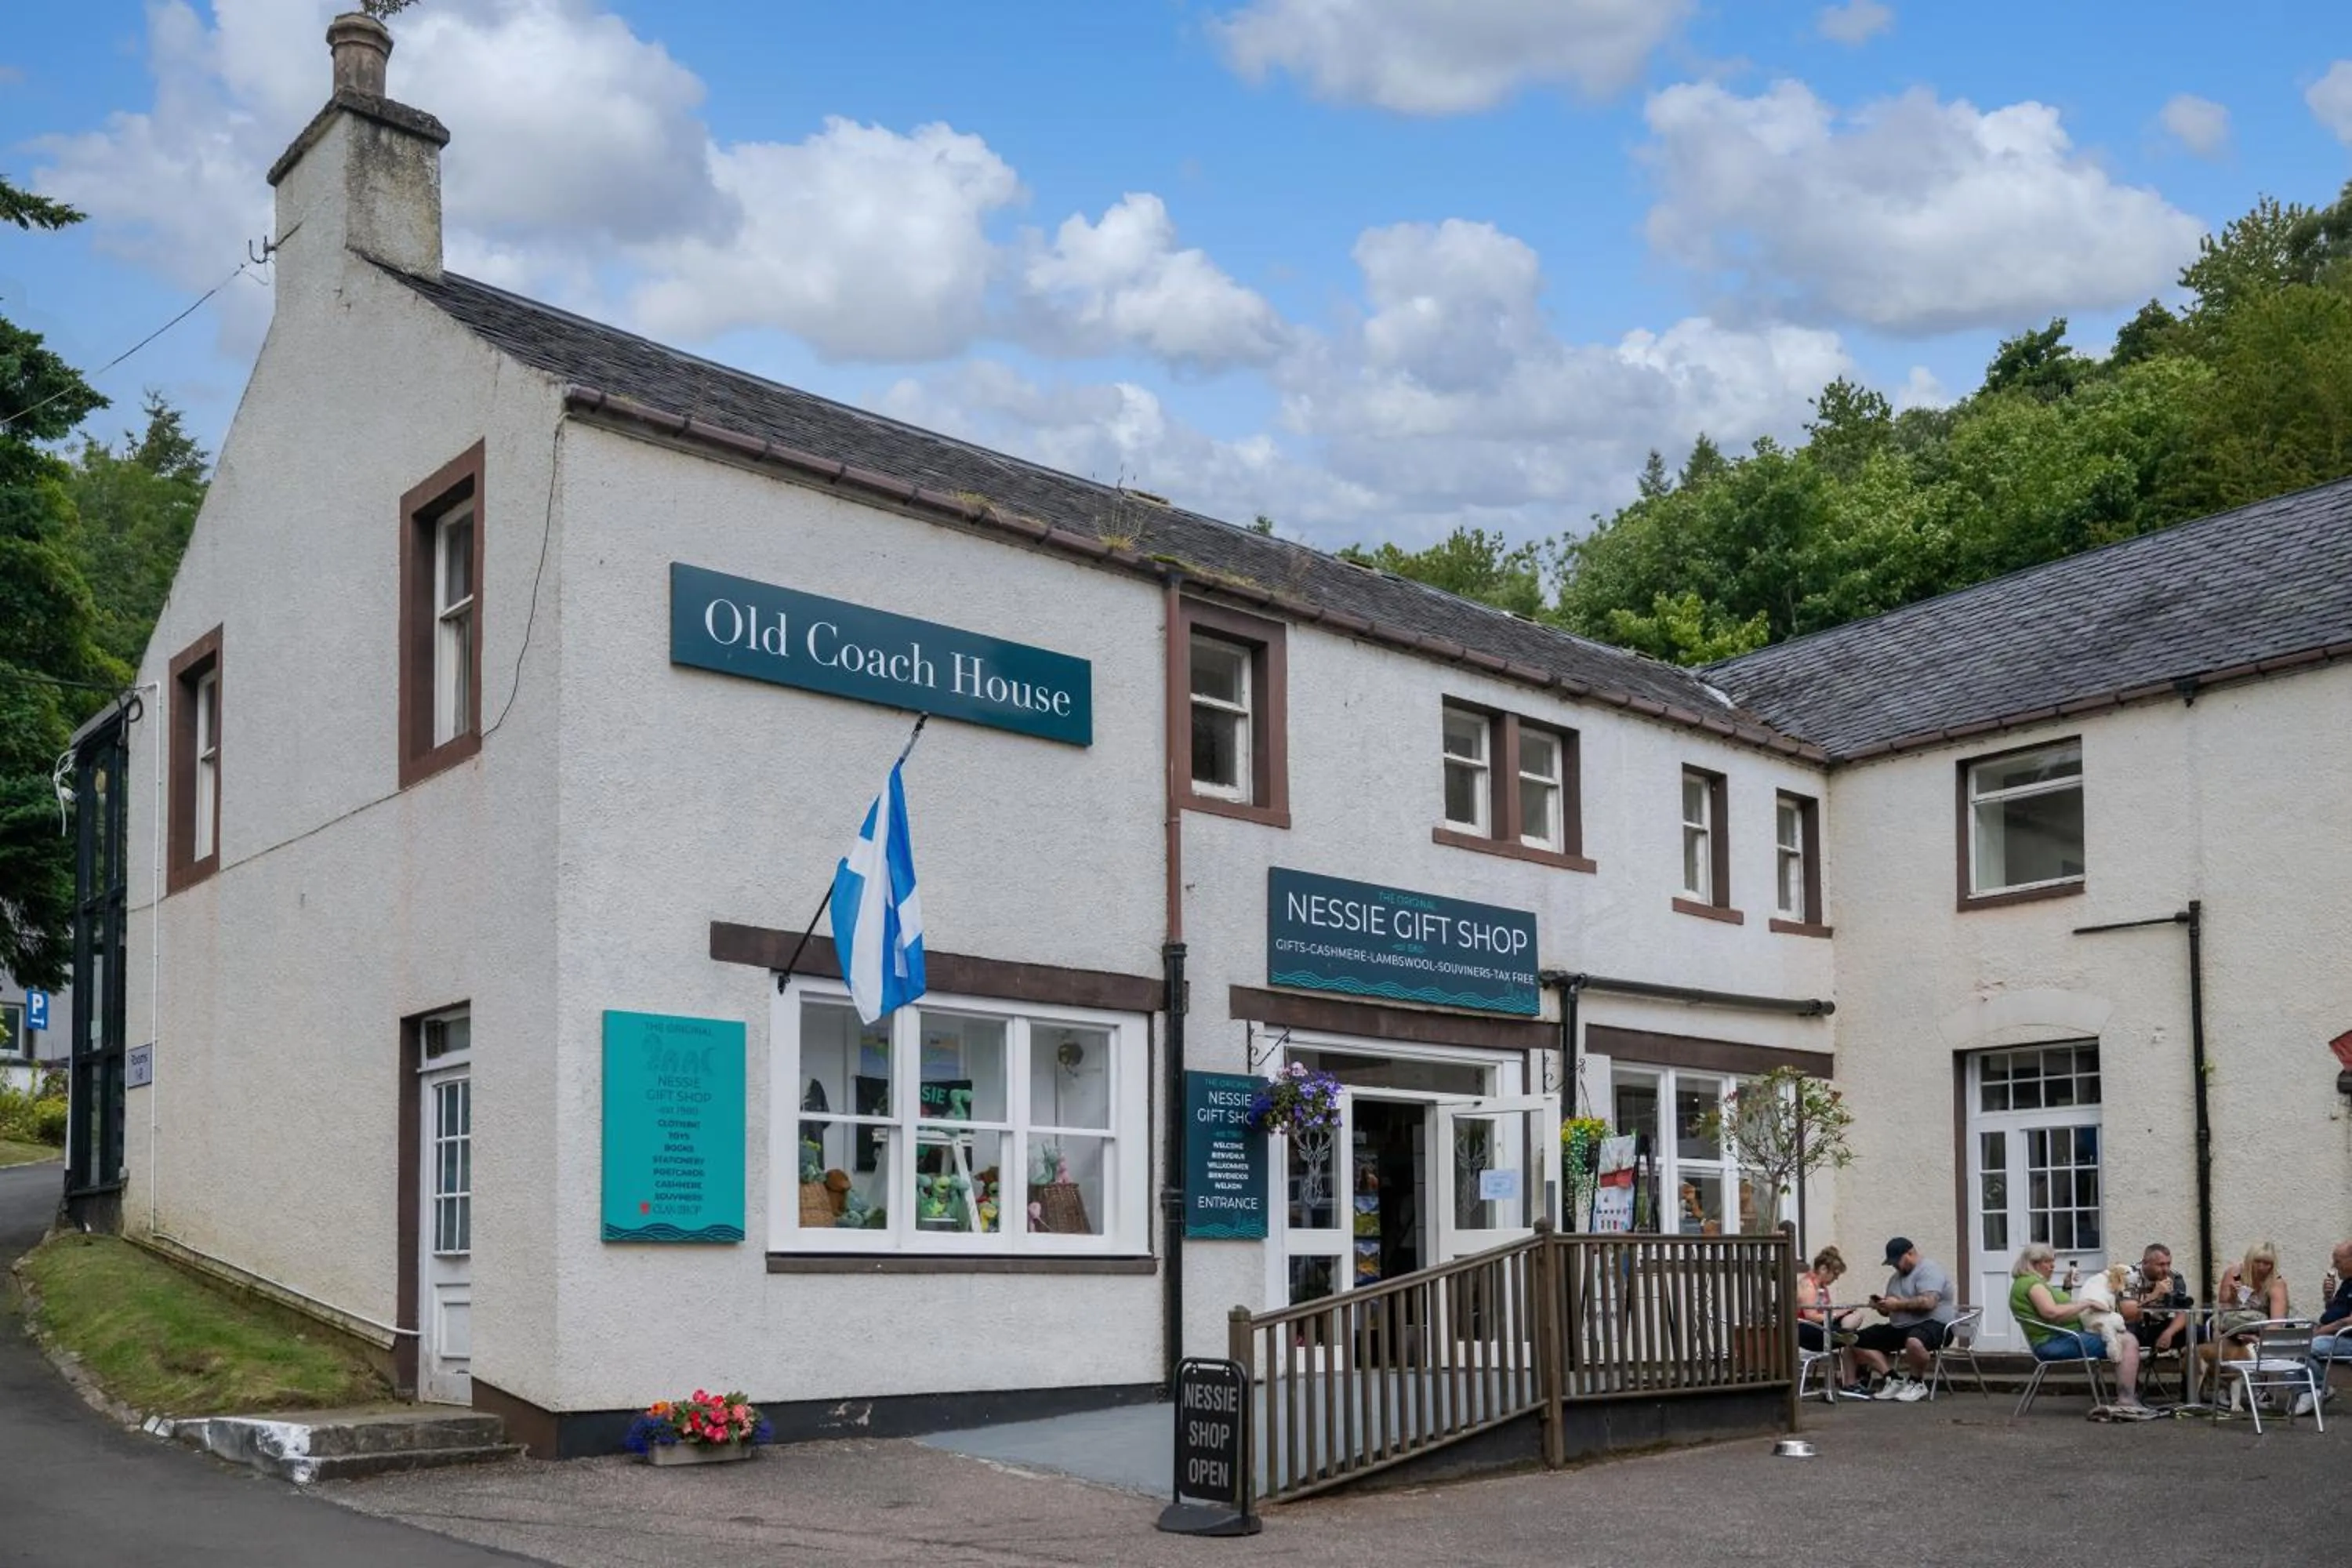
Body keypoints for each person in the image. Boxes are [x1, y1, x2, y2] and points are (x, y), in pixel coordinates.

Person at [2010, 1242, 2148, 1413]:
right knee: (2127, 1341)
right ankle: (2127, 1400)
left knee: (2121, 1333)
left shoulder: (2030, 1283)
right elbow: (2052, 1313)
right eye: (2048, 1262)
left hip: (2062, 1337)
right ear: (2034, 1263)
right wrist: (2087, 1303)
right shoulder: (2032, 1284)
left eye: (2053, 1261)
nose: (2053, 1266)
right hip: (2054, 1343)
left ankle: (2127, 1396)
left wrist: (2067, 1287)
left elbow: (2057, 1310)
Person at [1852, 1236, 1955, 1402]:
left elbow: (1929, 1302)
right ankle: (1893, 1378)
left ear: (1910, 1253)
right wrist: (1882, 1306)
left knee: (1914, 1340)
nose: (1895, 1266)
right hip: (1901, 1327)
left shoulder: (1929, 1270)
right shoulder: (1895, 1278)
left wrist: (1898, 1305)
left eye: (1896, 1261)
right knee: (1855, 1339)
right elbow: (1890, 1311)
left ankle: (1917, 1383)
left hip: (1935, 1325)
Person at [2201, 1240, 2291, 1390]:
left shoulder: (2276, 1283)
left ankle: (2258, 1390)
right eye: (2258, 1262)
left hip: (2260, 1330)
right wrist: (2232, 1296)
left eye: (2267, 1263)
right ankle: (2224, 1388)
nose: (2262, 1267)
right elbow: (2223, 1307)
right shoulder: (2234, 1273)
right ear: (2249, 1260)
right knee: (2222, 1343)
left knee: (2251, 1347)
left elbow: (2277, 1323)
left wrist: (2257, 1339)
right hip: (2231, 1327)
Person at [1797, 1246, 1866, 1399]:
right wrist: (1836, 1314)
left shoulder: (1821, 1286)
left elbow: (1824, 1313)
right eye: (1834, 1274)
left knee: (1856, 1321)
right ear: (1823, 1269)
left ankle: (1851, 1376)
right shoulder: (1809, 1286)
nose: (1836, 1279)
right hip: (1808, 1331)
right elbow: (1811, 1316)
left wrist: (1841, 1314)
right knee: (1855, 1339)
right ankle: (1852, 1380)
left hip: (1821, 1326)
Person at [2296, 1240, 2351, 1417]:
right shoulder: (2347, 1284)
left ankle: (2317, 1389)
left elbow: (2348, 1322)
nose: (2334, 1265)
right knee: (2291, 1341)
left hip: (2348, 1340)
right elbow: (2334, 1315)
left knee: (2306, 1346)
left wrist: (2319, 1332)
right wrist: (2328, 1298)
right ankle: (2308, 1391)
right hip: (2336, 1336)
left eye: (2338, 1260)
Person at [2121, 1243, 2191, 1357]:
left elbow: (2183, 1311)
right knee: (2129, 1333)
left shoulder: (2175, 1277)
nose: (2166, 1269)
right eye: (2161, 1265)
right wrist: (2154, 1295)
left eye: (2168, 1264)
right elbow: (2128, 1314)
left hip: (2160, 1325)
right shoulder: (2129, 1276)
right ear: (2145, 1263)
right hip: (2134, 1326)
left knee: (2197, 1333)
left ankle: (2192, 1373)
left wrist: (2169, 1333)